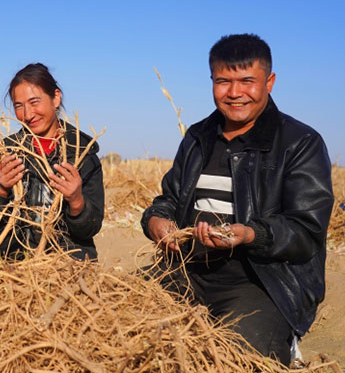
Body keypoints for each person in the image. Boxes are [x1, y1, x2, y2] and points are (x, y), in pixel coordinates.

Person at [142, 34, 334, 365]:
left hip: (264, 282)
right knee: (125, 326)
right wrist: (156, 221)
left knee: (233, 358)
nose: (234, 93)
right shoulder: (197, 137)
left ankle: (283, 339)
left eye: (247, 81)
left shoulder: (301, 142)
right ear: (212, 81)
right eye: (223, 82)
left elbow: (306, 231)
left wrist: (250, 234)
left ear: (269, 82)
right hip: (188, 271)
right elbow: (169, 199)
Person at [0, 63, 104, 260]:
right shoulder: (5, 152)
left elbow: (90, 228)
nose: (27, 114)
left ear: (56, 98)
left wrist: (76, 201)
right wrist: (0, 189)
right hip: (12, 253)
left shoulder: (82, 154)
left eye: (34, 102)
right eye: (19, 106)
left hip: (63, 256)